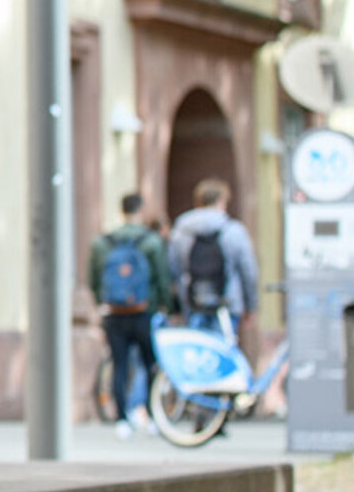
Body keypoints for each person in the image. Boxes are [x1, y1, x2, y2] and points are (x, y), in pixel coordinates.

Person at [87, 192, 169, 439]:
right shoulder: (151, 241)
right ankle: (153, 417)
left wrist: (102, 303)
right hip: (144, 311)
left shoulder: (102, 243)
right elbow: (162, 278)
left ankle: (122, 419)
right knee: (149, 364)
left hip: (114, 313)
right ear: (140, 210)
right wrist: (164, 305)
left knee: (119, 365)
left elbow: (93, 280)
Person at [169, 177, 259, 335]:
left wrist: (175, 306)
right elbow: (248, 270)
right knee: (223, 352)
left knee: (197, 351)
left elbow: (172, 269)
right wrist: (250, 305)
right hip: (227, 303)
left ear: (198, 201)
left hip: (192, 301)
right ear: (222, 201)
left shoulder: (180, 231)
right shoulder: (233, 230)